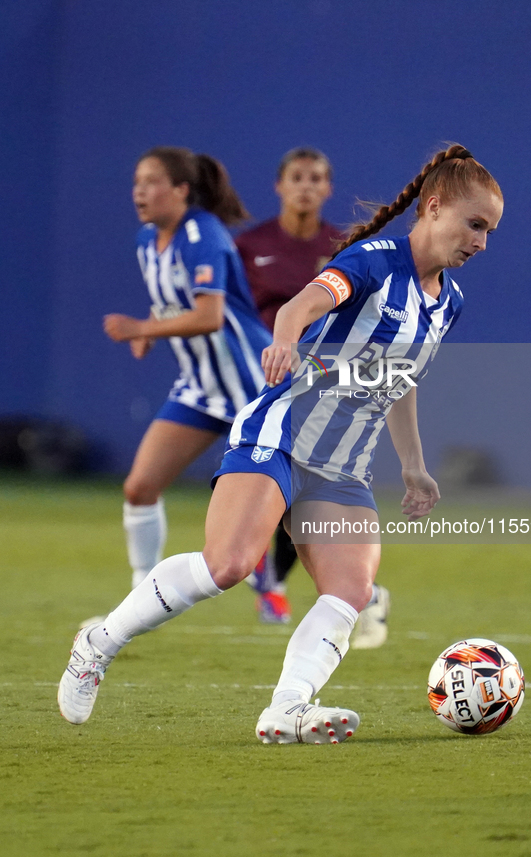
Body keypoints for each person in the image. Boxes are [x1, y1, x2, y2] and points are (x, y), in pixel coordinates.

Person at [58, 144, 504, 745]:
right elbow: (300, 305)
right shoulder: (372, 260)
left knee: (351, 592)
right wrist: (286, 342)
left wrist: (415, 467)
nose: (481, 241)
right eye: (475, 224)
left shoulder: (446, 303)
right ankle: (97, 645)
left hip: (343, 465)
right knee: (229, 565)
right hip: (282, 432)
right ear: (433, 206)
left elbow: (400, 383)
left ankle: (285, 709)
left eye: (490, 231)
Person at [235, 147, 391, 645]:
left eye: (316, 178)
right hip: (251, 380)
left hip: (321, 389)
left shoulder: (345, 246)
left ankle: (308, 585)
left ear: (328, 189)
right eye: (296, 177)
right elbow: (228, 311)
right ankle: (332, 588)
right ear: (279, 186)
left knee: (300, 489)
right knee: (275, 489)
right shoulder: (250, 245)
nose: (305, 186)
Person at [103, 147, 271, 592]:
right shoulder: (146, 240)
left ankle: (359, 597)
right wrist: (148, 331)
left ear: (181, 190)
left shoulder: (203, 234)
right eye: (137, 181)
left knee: (298, 508)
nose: (140, 191)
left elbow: (209, 315)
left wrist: (143, 327)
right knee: (140, 488)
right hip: (199, 388)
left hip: (252, 385)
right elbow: (171, 304)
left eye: (152, 181)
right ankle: (141, 594)